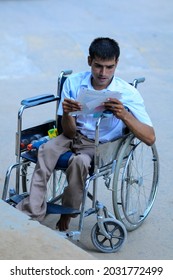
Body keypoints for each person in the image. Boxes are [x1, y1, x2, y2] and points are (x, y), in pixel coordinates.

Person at [16, 37, 155, 231]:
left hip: (100, 143)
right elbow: (69, 131)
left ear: (117, 64)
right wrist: (67, 113)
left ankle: (68, 212)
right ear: (89, 61)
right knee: (46, 150)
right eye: (98, 66)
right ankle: (33, 211)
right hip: (73, 134)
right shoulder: (73, 83)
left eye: (109, 67)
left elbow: (150, 137)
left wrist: (124, 114)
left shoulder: (127, 92)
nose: (103, 73)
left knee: (79, 162)